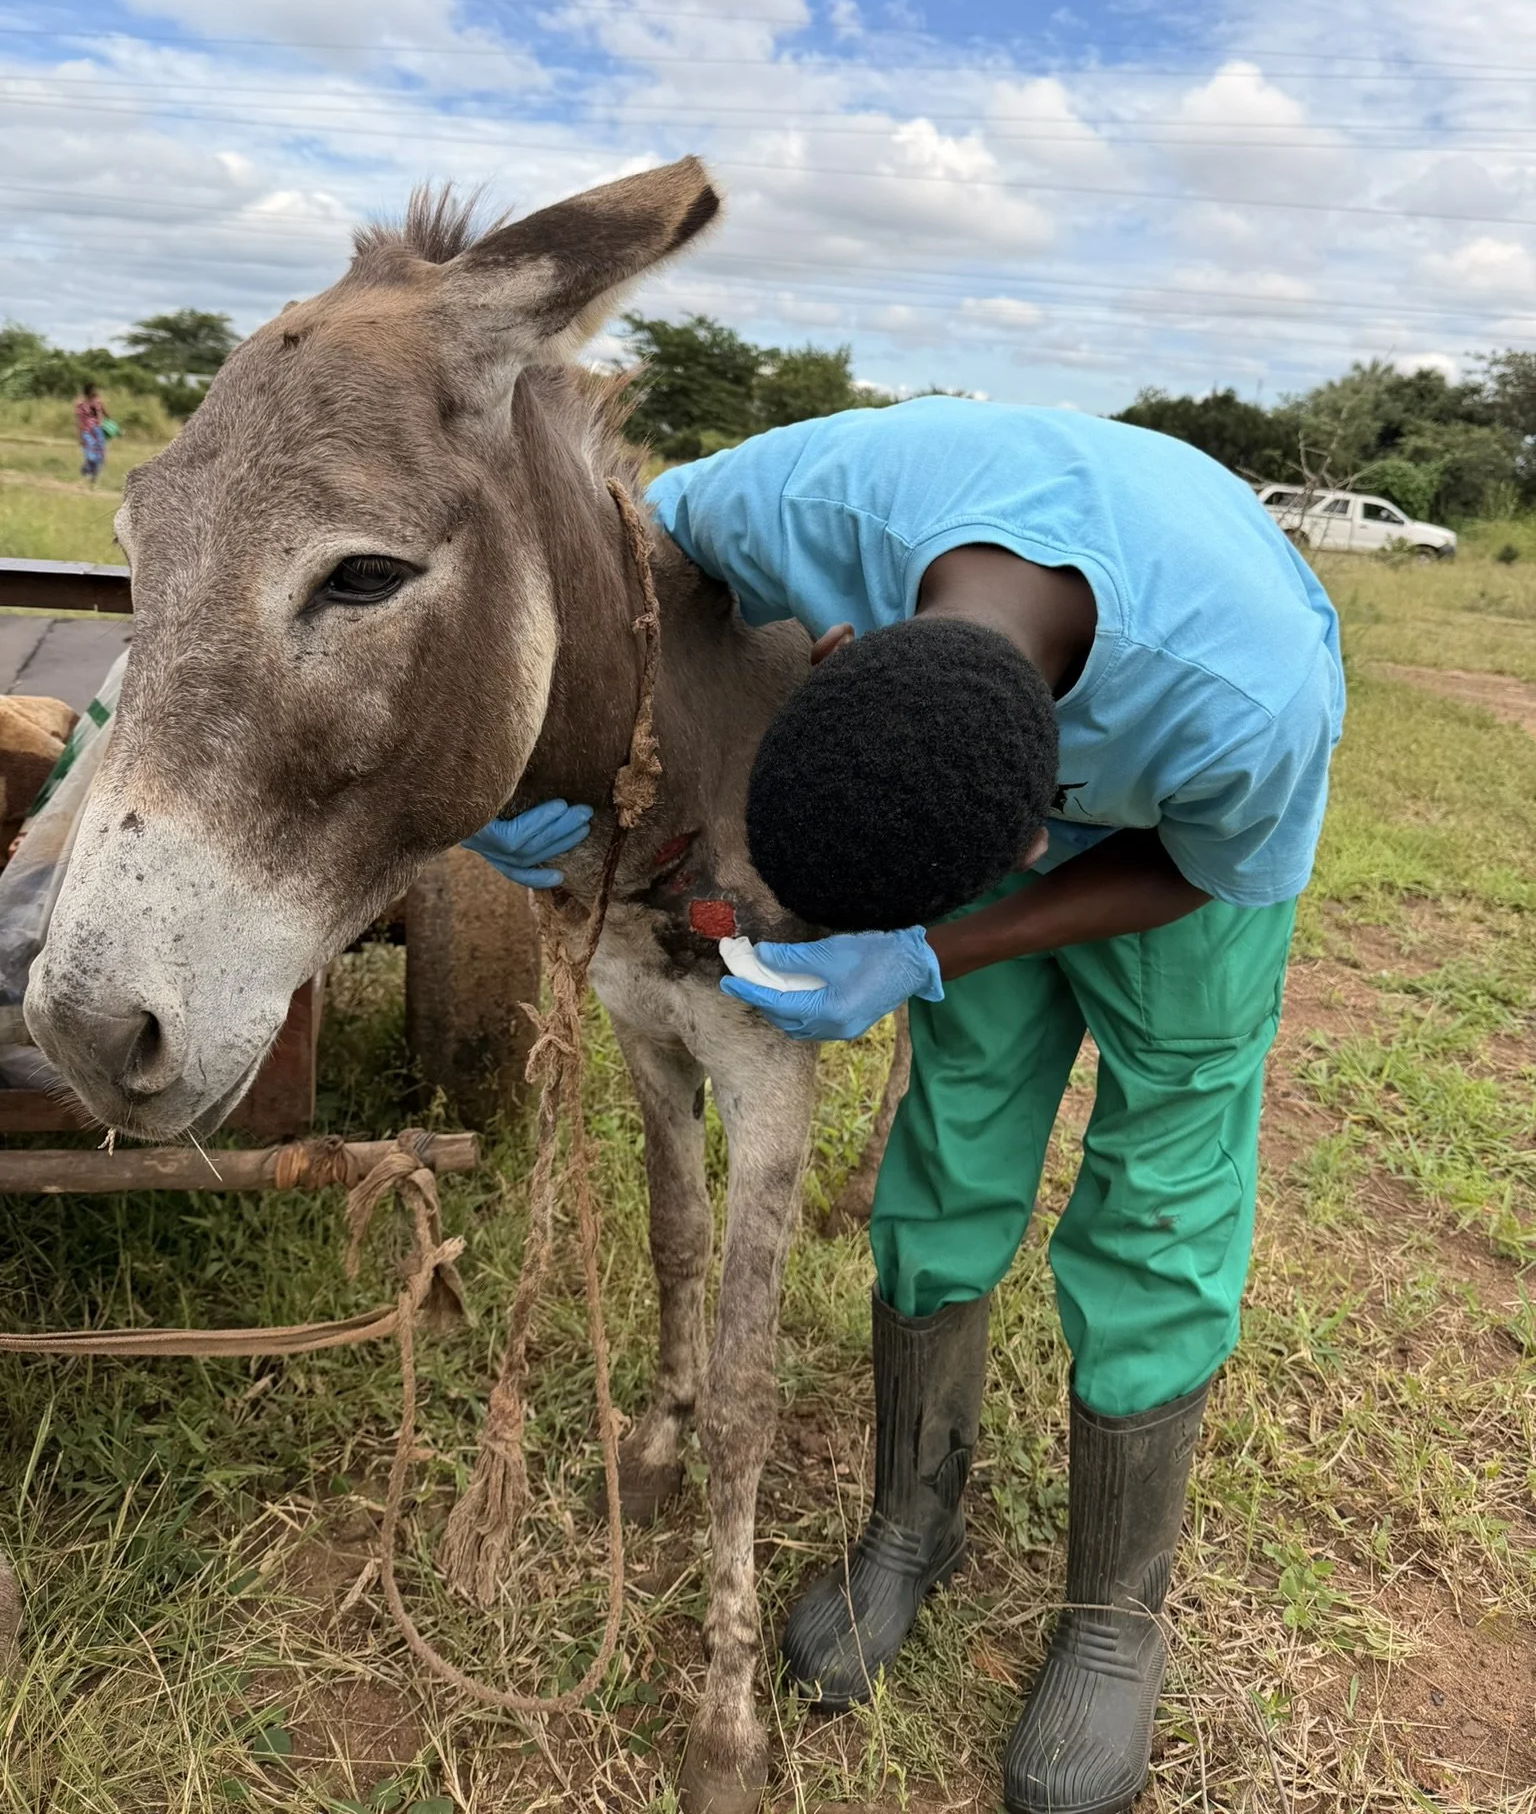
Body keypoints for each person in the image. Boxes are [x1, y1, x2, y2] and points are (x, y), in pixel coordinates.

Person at [466, 397, 1343, 1814]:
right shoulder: (798, 502)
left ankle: (1114, 1615)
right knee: (954, 1141)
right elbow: (628, 570)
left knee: (1160, 1184)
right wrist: (545, 767)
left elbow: (1207, 867)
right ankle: (909, 1523)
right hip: (955, 773)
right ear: (847, 647)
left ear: (1028, 828)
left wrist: (939, 944)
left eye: (996, 875)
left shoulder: (1248, 701)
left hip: (1183, 864)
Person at [73, 382, 108, 485]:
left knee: (100, 457)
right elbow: (78, 421)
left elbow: (107, 415)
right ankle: (85, 470)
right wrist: (79, 436)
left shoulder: (97, 402)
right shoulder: (80, 404)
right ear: (88, 391)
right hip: (86, 432)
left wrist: (101, 406)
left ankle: (93, 479)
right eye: (94, 389)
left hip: (97, 431)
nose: (96, 391)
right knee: (91, 456)